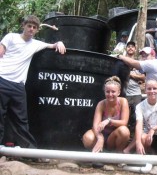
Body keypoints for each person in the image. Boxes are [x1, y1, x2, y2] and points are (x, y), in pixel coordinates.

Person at [0, 15, 66, 150]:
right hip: (2, 80)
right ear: (23, 26)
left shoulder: (36, 44)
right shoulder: (11, 37)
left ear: (37, 30)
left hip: (18, 85)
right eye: (29, 26)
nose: (31, 29)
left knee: (21, 119)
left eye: (34, 27)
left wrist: (59, 42)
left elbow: (52, 45)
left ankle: (30, 151)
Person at [123, 79, 157, 155]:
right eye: (149, 89)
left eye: (154, 88)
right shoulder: (140, 106)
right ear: (145, 90)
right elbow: (139, 125)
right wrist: (138, 142)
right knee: (141, 137)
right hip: (148, 136)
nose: (152, 91)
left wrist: (154, 129)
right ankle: (150, 152)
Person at [82, 76, 130, 152]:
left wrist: (109, 121)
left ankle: (118, 155)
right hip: (101, 133)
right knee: (88, 138)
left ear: (119, 92)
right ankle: (98, 154)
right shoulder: (101, 104)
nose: (110, 94)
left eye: (113, 92)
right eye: (107, 91)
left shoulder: (123, 101)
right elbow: (95, 125)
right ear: (104, 92)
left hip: (114, 136)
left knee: (124, 131)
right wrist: (100, 137)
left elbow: (124, 122)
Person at [124, 41, 145, 132]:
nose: (130, 48)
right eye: (128, 46)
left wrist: (130, 75)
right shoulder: (122, 61)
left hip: (136, 93)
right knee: (124, 116)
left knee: (137, 116)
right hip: (124, 93)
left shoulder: (138, 63)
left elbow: (143, 77)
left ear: (135, 49)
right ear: (126, 48)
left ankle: (135, 136)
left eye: (132, 46)